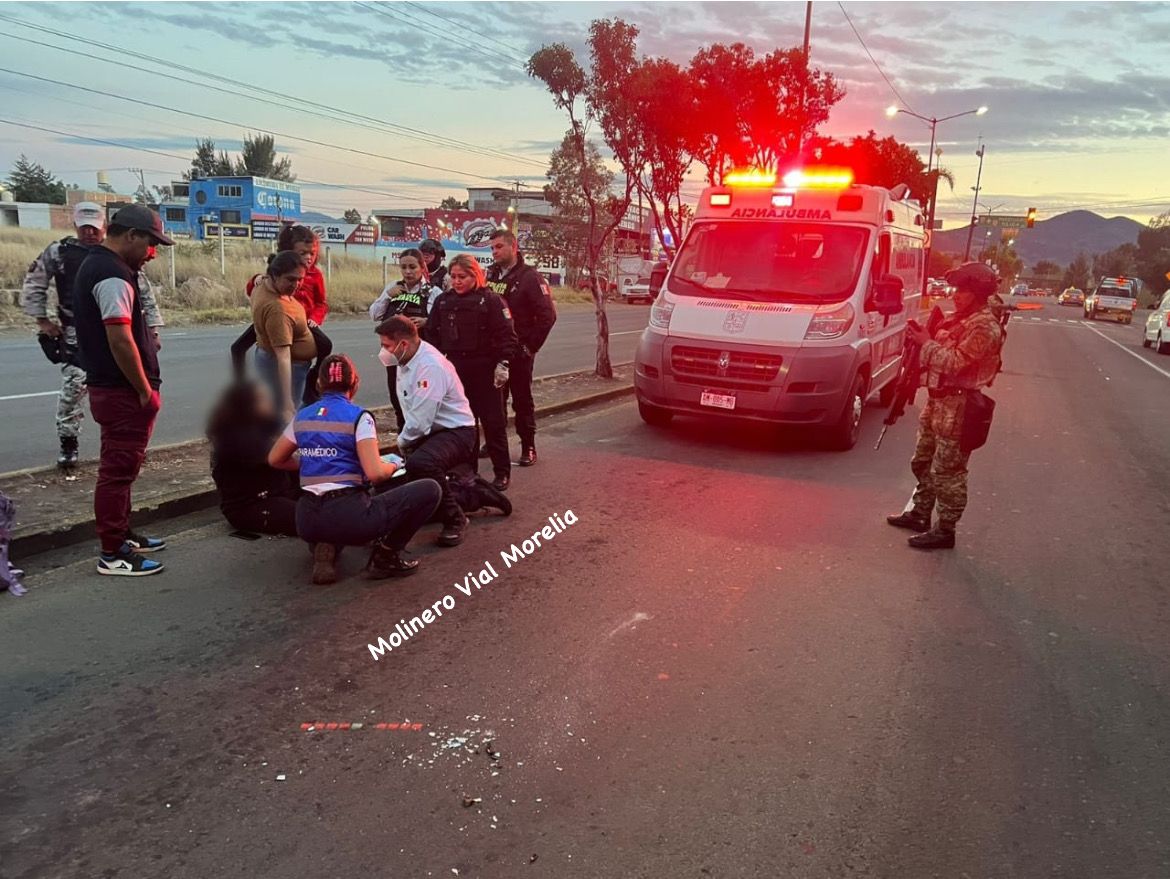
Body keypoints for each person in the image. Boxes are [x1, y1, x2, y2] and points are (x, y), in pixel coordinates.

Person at [268, 354, 442, 584]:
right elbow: (375, 474)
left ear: (319, 384)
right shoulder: (359, 417)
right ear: (355, 383)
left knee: (344, 509)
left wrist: (316, 463)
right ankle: (386, 556)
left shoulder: (303, 416)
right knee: (430, 489)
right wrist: (393, 464)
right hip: (348, 514)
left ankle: (325, 543)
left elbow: (275, 459)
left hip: (306, 519)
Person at [21, 201, 165, 470]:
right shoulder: (62, 252)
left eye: (94, 228)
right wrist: (43, 320)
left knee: (111, 406)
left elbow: (142, 294)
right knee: (75, 390)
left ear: (104, 228)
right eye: (84, 228)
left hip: (107, 328)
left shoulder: (122, 260)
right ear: (76, 225)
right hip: (79, 331)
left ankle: (119, 448)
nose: (89, 233)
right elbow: (35, 283)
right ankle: (69, 442)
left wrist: (152, 329)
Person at [71, 205, 173, 576]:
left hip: (113, 387)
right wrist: (144, 389)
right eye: (149, 242)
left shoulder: (104, 266)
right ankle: (113, 552)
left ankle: (122, 532)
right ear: (130, 235)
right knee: (117, 470)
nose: (152, 252)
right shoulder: (111, 274)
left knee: (123, 467)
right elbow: (120, 340)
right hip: (121, 391)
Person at [886, 262, 1007, 550]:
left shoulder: (984, 327)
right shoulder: (958, 319)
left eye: (963, 291)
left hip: (960, 406)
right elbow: (935, 351)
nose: (956, 295)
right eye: (956, 290)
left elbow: (955, 362)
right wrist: (918, 338)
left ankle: (946, 529)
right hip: (938, 401)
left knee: (948, 471)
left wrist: (926, 343)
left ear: (978, 294)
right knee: (922, 461)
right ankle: (920, 513)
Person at [376, 314, 486, 546]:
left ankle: (456, 518)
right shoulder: (406, 360)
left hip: (458, 431)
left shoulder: (429, 366)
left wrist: (402, 443)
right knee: (394, 479)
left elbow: (420, 421)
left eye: (386, 346)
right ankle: (467, 494)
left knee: (421, 464)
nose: (383, 352)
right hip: (433, 431)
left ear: (403, 344)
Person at [425, 254, 518, 491]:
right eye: (453, 276)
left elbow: (507, 336)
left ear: (474, 276)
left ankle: (502, 472)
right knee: (464, 425)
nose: (457, 281)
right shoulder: (443, 302)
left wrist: (503, 364)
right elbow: (432, 334)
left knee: (493, 423)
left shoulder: (491, 301)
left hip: (486, 369)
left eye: (462, 277)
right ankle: (468, 473)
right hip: (455, 370)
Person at [231, 225, 333, 405]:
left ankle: (312, 380)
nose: (309, 257)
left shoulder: (315, 275)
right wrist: (256, 279)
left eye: (312, 253)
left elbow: (322, 303)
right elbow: (255, 289)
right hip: (274, 320)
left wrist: (314, 319)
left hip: (303, 322)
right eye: (302, 253)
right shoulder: (279, 269)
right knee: (237, 347)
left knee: (326, 344)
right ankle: (240, 387)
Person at [486, 229, 557, 467]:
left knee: (521, 400)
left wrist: (530, 347)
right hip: (494, 350)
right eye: (492, 248)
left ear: (513, 246)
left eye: (499, 247)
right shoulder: (492, 275)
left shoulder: (531, 278)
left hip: (519, 351)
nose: (494, 251)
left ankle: (528, 446)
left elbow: (547, 316)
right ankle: (495, 442)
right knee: (494, 401)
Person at [207, 381, 300, 537]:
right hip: (252, 506)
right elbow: (283, 458)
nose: (269, 402)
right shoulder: (236, 437)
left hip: (279, 493)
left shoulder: (260, 424)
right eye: (262, 399)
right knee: (312, 518)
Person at [368, 248, 443, 429]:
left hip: (420, 354)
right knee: (397, 395)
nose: (408, 272)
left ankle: (421, 433)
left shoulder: (433, 291)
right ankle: (403, 431)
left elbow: (442, 320)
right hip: (394, 354)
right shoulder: (394, 287)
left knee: (420, 396)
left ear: (422, 267)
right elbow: (374, 314)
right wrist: (387, 296)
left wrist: (427, 321)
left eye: (412, 267)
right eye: (403, 267)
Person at [251, 251, 317, 424]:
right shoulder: (278, 310)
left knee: (273, 413)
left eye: (300, 279)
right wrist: (288, 402)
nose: (296, 285)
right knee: (285, 419)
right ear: (275, 275)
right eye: (290, 279)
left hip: (268, 356)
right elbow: (283, 358)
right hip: (287, 368)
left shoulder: (262, 284)